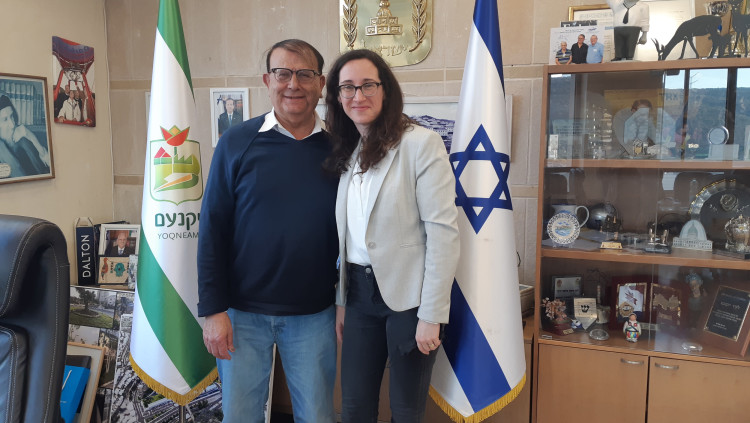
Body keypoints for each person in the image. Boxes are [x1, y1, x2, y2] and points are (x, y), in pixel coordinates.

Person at [198, 39, 338, 423]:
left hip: (314, 315)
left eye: (304, 74)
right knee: (240, 417)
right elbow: (212, 229)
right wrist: (213, 310)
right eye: (283, 73)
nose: (293, 84)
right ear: (267, 80)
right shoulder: (236, 142)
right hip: (241, 314)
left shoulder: (340, 148)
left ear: (321, 83)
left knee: (317, 417)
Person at [324, 49, 460, 422]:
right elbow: (350, 237)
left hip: (410, 300)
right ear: (338, 96)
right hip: (358, 296)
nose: (358, 95)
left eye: (368, 85)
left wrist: (432, 314)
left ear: (385, 89)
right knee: (354, 407)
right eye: (347, 87)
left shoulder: (420, 143)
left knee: (405, 410)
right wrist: (341, 300)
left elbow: (443, 234)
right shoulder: (349, 147)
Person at [0, 94, 50, 177]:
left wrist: (29, 135)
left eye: (11, 116)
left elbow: (48, 166)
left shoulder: (21, 138)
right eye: (5, 120)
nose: (12, 124)